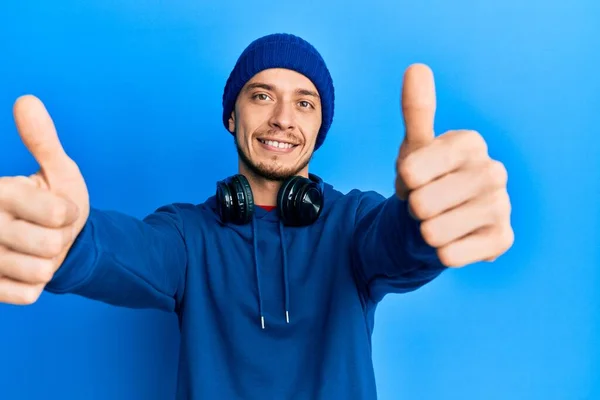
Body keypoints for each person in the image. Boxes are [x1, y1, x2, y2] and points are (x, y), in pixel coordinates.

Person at [0, 33, 513, 399]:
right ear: (232, 115)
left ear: (319, 129)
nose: (283, 118)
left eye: (304, 104)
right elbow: (117, 252)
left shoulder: (355, 221)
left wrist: (430, 220)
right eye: (262, 95)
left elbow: (399, 243)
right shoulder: (187, 234)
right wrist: (66, 241)